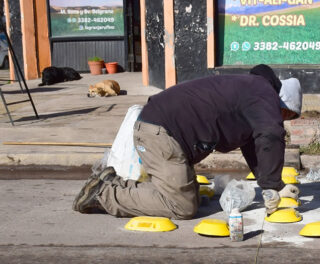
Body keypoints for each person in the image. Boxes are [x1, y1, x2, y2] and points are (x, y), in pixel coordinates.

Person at [72, 64, 303, 219]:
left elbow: (254, 148)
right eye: (287, 116)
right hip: (160, 133)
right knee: (182, 206)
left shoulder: (250, 93)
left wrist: (274, 185)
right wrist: (272, 186)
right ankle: (104, 193)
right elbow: (270, 136)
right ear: (283, 103)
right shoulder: (263, 92)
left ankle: (112, 182)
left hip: (163, 130)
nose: (282, 121)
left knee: (191, 196)